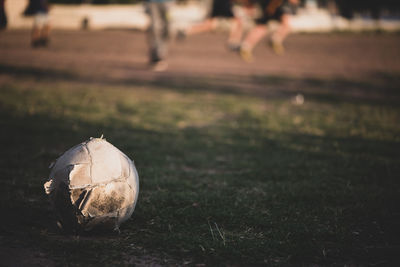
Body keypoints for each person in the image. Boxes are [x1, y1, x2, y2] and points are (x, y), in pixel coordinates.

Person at [178, 0, 244, 51]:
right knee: (237, 22)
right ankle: (233, 42)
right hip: (222, 10)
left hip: (218, 9)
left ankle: (185, 31)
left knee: (209, 24)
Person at [145, 0, 172, 71]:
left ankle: (161, 52)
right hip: (152, 2)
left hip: (168, 3)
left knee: (167, 28)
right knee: (154, 27)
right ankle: (158, 55)